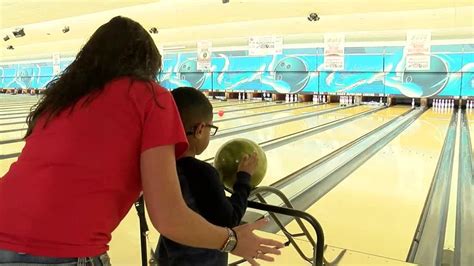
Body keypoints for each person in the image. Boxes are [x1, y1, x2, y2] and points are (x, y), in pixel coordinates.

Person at [0, 16, 282, 265]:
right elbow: (169, 218)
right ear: (148, 65)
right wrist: (232, 240)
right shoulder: (151, 97)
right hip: (64, 251)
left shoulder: (61, 101)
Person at [156, 87, 258, 265]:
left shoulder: (158, 166)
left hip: (168, 256)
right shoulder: (202, 172)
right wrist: (244, 178)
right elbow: (230, 219)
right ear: (200, 129)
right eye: (211, 128)